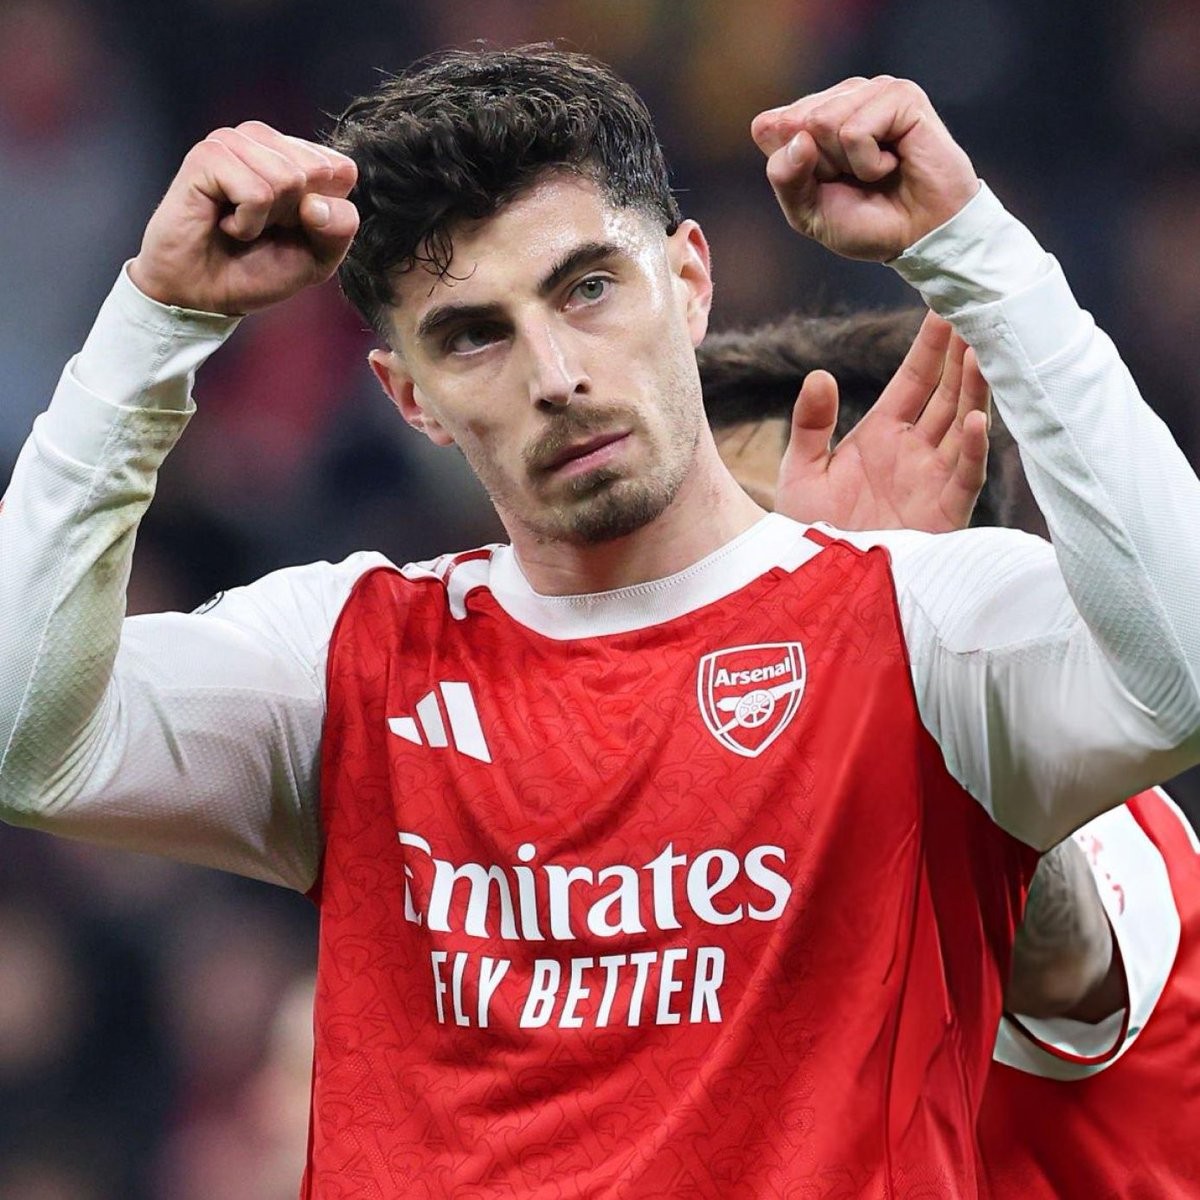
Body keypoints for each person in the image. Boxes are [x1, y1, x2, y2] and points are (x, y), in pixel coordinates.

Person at [2, 47, 1200, 1196]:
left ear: (690, 280)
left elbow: (1183, 671)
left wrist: (974, 245)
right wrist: (154, 323)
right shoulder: (346, 663)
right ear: (410, 397)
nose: (555, 374)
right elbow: (21, 742)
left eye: (588, 288)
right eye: (474, 335)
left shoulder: (917, 622)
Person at [699, 308, 1200, 1194]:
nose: (724, 587)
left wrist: (884, 671)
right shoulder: (685, 868)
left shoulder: (1107, 824)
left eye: (762, 537)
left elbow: (1063, 954)